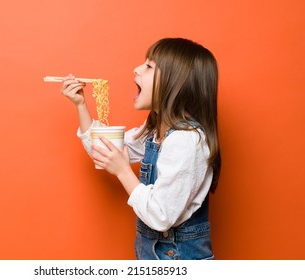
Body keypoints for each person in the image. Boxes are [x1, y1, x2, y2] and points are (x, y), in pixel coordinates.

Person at [60, 38, 221, 260]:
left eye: (149, 66)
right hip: (150, 253)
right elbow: (104, 150)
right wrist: (80, 105)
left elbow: (161, 216)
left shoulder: (186, 140)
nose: (136, 69)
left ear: (176, 82)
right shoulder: (154, 129)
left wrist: (123, 172)